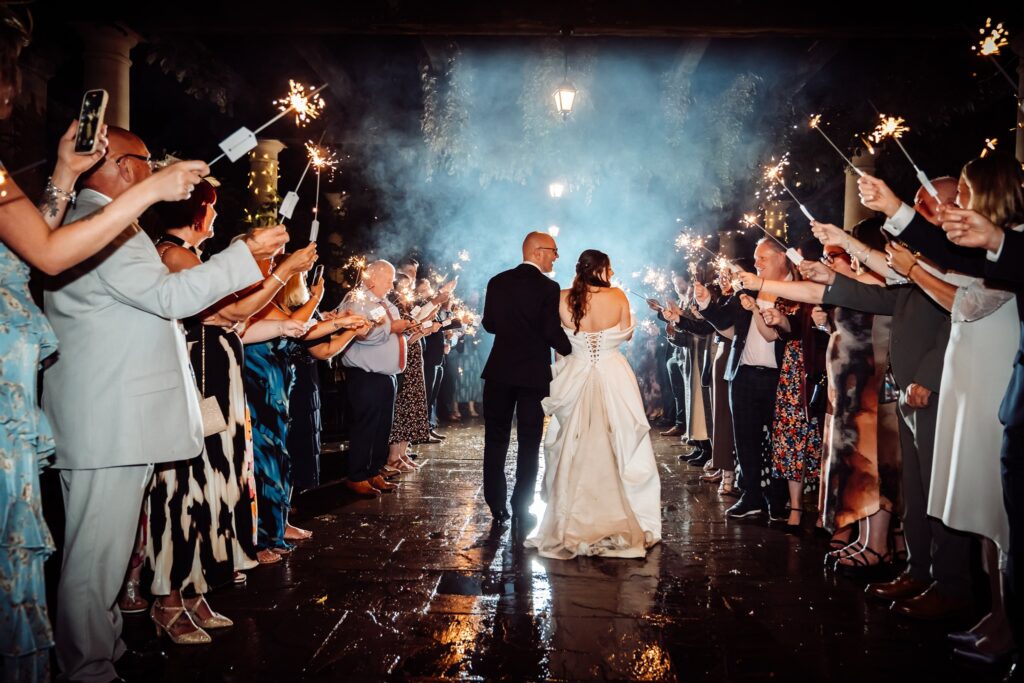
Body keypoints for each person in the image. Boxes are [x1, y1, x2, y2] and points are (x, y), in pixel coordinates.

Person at [0, 12, 225, 678]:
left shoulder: (22, 183)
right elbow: (49, 252)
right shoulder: (114, 224)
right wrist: (153, 189)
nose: (10, 95)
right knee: (90, 554)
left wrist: (64, 173)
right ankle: (87, 663)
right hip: (76, 401)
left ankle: (87, 659)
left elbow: (34, 247)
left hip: (18, 382)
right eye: (5, 75)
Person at [42, 125, 288, 682]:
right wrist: (243, 253)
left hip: (106, 412)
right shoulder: (101, 225)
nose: (154, 170)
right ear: (124, 167)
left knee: (104, 548)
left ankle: (104, 648)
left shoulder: (104, 224)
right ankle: (87, 668)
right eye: (148, 161)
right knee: (94, 557)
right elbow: (172, 297)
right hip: (109, 416)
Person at [144, 183, 319, 644]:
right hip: (200, 384)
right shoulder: (175, 255)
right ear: (197, 213)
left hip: (219, 380)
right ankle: (167, 600)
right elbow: (230, 313)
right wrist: (283, 271)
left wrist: (287, 296)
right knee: (185, 492)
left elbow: (237, 321)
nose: (217, 218)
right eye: (213, 209)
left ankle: (194, 589)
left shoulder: (192, 258)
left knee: (211, 492)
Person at [525, 249, 661, 558]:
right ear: (601, 269)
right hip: (613, 373)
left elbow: (556, 337)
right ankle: (619, 512)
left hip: (577, 373)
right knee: (617, 439)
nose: (611, 274)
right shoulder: (618, 297)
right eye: (609, 269)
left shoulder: (562, 297)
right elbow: (626, 337)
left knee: (573, 442)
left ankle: (573, 518)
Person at [695, 238, 793, 520]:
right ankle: (751, 496)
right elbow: (724, 319)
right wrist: (705, 303)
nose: (757, 264)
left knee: (780, 441)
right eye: (755, 258)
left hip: (780, 376)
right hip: (743, 372)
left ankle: (779, 499)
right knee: (745, 439)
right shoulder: (748, 287)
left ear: (781, 258)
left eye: (762, 258)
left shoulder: (795, 290)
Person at [480, 232, 572, 525]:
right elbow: (549, 330)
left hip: (499, 371)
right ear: (536, 252)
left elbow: (489, 324)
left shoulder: (497, 281)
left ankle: (495, 504)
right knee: (530, 441)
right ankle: (521, 505)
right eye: (554, 251)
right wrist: (572, 347)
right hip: (532, 373)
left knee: (495, 438)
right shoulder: (549, 287)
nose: (556, 256)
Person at [338, 260, 413, 496]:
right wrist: (392, 328)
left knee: (382, 428)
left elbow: (391, 334)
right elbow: (362, 335)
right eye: (388, 279)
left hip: (386, 375)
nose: (392, 284)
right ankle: (357, 476)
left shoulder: (386, 304)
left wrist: (409, 329)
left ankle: (373, 472)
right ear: (372, 277)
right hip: (366, 375)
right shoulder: (357, 301)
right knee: (365, 427)